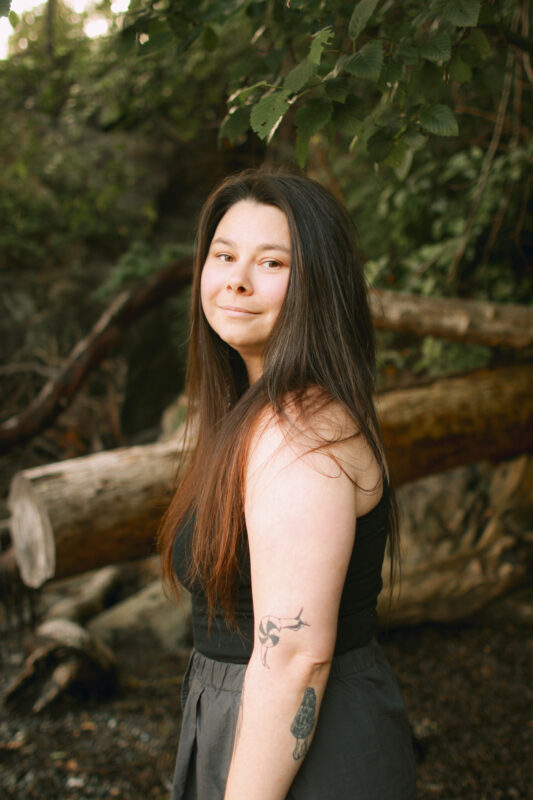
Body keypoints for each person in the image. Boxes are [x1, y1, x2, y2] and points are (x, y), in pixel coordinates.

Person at [158, 167, 417, 800]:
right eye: (224, 255)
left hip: (302, 758)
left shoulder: (298, 431)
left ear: (317, 285)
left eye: (272, 263)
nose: (237, 279)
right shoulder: (260, 412)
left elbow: (297, 656)